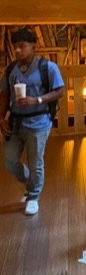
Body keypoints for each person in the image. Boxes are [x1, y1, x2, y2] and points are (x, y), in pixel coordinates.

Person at [0, 28, 65, 216]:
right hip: (16, 122)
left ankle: (33, 196)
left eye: (22, 46)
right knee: (10, 161)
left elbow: (60, 91)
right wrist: (2, 117)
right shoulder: (11, 69)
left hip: (39, 122)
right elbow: (4, 93)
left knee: (35, 162)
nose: (18, 51)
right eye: (16, 47)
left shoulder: (47, 67)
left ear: (33, 47)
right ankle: (31, 184)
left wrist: (37, 100)